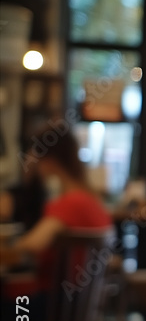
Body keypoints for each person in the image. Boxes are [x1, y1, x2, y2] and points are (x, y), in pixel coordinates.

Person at [2, 128, 112, 299]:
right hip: (77, 305)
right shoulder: (92, 199)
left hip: (49, 307)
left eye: (36, 157)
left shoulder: (69, 203)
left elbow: (32, 244)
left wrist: (10, 246)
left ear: (50, 161)